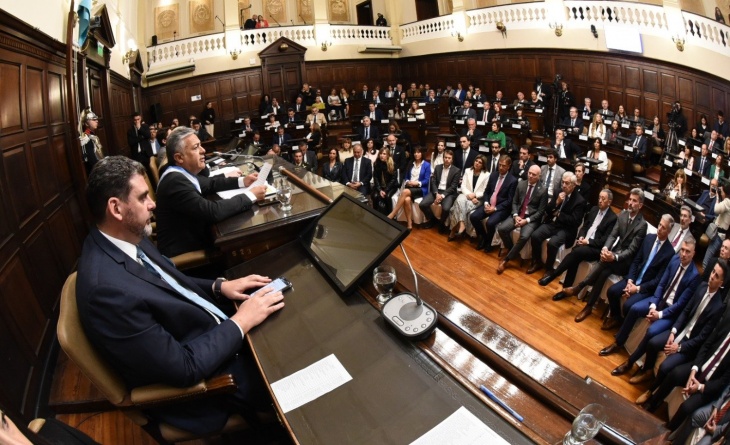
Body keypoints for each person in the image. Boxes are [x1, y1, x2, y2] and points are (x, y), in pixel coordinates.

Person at [77, 155, 284, 435]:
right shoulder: (106, 292)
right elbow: (183, 367)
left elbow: (175, 283)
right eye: (143, 197)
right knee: (299, 370)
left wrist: (219, 286)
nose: (153, 204)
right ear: (116, 207)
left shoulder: (127, 236)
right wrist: (241, 322)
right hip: (215, 382)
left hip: (217, 332)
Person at [155, 127, 266, 257]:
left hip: (194, 236)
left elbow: (210, 184)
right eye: (196, 147)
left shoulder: (180, 172)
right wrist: (251, 195)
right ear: (179, 157)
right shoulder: (174, 181)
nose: (203, 150)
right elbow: (212, 212)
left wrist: (243, 181)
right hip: (186, 251)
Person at [601, 237, 700, 373]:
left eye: (687, 251)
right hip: (658, 301)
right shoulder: (675, 260)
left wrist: (659, 315)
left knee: (652, 331)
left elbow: (680, 304)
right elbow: (661, 285)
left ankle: (630, 362)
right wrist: (653, 306)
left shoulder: (694, 276)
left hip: (669, 312)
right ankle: (618, 343)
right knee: (635, 308)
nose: (683, 254)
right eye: (682, 250)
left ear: (693, 253)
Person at [562, 188, 648, 322]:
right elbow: (613, 235)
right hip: (613, 255)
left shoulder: (642, 225)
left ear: (640, 205)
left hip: (625, 262)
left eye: (634, 201)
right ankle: (589, 306)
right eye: (630, 199)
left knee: (604, 264)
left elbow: (632, 250)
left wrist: (614, 257)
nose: (630, 203)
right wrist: (606, 248)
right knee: (603, 272)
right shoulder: (623, 215)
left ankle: (580, 287)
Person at [598, 214, 676, 329]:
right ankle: (616, 317)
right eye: (659, 224)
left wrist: (637, 288)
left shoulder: (669, 253)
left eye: (663, 227)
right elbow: (636, 261)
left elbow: (658, 280)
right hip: (633, 279)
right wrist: (630, 281)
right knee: (612, 292)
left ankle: (622, 326)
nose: (659, 228)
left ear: (669, 231)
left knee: (628, 305)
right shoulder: (649, 238)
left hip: (645, 288)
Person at [539, 189, 618, 291]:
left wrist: (588, 242)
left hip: (595, 248)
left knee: (576, 252)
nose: (600, 200)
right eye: (599, 197)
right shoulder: (594, 210)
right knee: (575, 257)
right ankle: (566, 289)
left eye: (603, 199)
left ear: (609, 202)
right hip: (583, 243)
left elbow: (604, 240)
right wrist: (581, 236)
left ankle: (553, 275)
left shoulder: (612, 218)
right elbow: (584, 227)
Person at [527, 172, 586, 275]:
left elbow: (575, 222)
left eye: (567, 183)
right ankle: (537, 262)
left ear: (573, 185)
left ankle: (549, 269)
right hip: (552, 224)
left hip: (566, 229)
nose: (563, 185)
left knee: (552, 243)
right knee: (535, 235)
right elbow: (548, 210)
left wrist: (559, 214)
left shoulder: (579, 200)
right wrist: (557, 202)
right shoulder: (558, 192)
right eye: (562, 182)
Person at [496, 165, 548, 272]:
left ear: (539, 176)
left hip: (531, 219)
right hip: (518, 215)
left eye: (534, 175)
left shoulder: (543, 190)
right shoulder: (521, 184)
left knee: (524, 236)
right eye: (529, 173)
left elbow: (541, 212)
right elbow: (514, 202)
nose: (530, 176)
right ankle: (512, 250)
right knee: (502, 229)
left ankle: (506, 260)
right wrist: (515, 215)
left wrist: (527, 220)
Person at [471, 156, 518, 253]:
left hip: (501, 208)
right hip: (489, 204)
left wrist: (495, 208)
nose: (500, 167)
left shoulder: (513, 180)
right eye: (499, 165)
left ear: (508, 166)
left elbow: (509, 201)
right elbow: (487, 192)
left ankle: (489, 243)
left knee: (490, 222)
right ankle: (484, 238)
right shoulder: (493, 175)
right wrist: (486, 202)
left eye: (503, 166)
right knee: (473, 216)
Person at [388, 146, 430, 229]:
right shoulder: (410, 163)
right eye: (415, 152)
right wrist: (408, 182)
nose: (416, 154)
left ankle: (393, 214)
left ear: (422, 154)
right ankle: (409, 224)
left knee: (404, 192)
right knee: (407, 200)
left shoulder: (426, 165)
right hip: (410, 187)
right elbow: (406, 177)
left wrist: (416, 183)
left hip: (420, 189)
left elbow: (426, 180)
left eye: (418, 152)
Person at [448, 155, 489, 241]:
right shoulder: (467, 170)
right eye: (476, 161)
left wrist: (475, 195)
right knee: (460, 200)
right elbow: (463, 186)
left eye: (480, 162)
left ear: (483, 165)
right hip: (466, 194)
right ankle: (462, 225)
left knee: (456, 207)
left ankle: (453, 230)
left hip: (478, 199)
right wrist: (470, 195)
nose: (477, 163)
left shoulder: (487, 175)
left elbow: (485, 190)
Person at [420, 150, 461, 231]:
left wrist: (442, 196)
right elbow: (433, 182)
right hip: (437, 191)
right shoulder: (438, 167)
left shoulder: (456, 170)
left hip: (448, 193)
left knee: (446, 208)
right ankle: (432, 219)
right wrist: (436, 193)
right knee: (422, 204)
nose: (447, 159)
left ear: (452, 160)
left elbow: (453, 187)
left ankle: (441, 223)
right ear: (443, 158)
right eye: (445, 157)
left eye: (449, 158)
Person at [703, 182, 730, 269]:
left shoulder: (727, 202)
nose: (721, 192)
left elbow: (716, 209)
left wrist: (717, 197)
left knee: (706, 261)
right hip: (720, 234)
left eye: (721, 191)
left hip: (718, 235)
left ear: (725, 192)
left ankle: (704, 279)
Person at [372, 148, 398, 215]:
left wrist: (385, 190)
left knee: (387, 196)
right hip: (380, 186)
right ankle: (376, 215)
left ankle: (389, 215)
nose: (381, 155)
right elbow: (376, 178)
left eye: (384, 154)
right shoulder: (376, 163)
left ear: (388, 155)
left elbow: (393, 179)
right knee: (375, 196)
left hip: (391, 186)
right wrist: (380, 190)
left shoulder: (392, 164)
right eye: (380, 153)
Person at [79, 109, 103, 174]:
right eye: (94, 120)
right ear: (86, 123)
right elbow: (92, 160)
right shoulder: (86, 138)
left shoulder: (92, 135)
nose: (97, 121)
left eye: (96, 119)